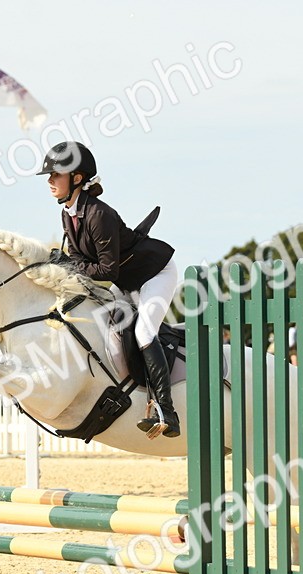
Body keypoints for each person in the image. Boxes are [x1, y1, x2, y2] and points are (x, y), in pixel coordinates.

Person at [38, 141, 179, 437]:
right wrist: (65, 266)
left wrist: (69, 264)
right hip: (126, 282)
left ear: (77, 178)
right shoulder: (69, 213)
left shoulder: (98, 214)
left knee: (143, 332)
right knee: (105, 327)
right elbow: (79, 260)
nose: (50, 181)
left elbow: (105, 270)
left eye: (56, 175)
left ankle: (167, 409)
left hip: (154, 274)